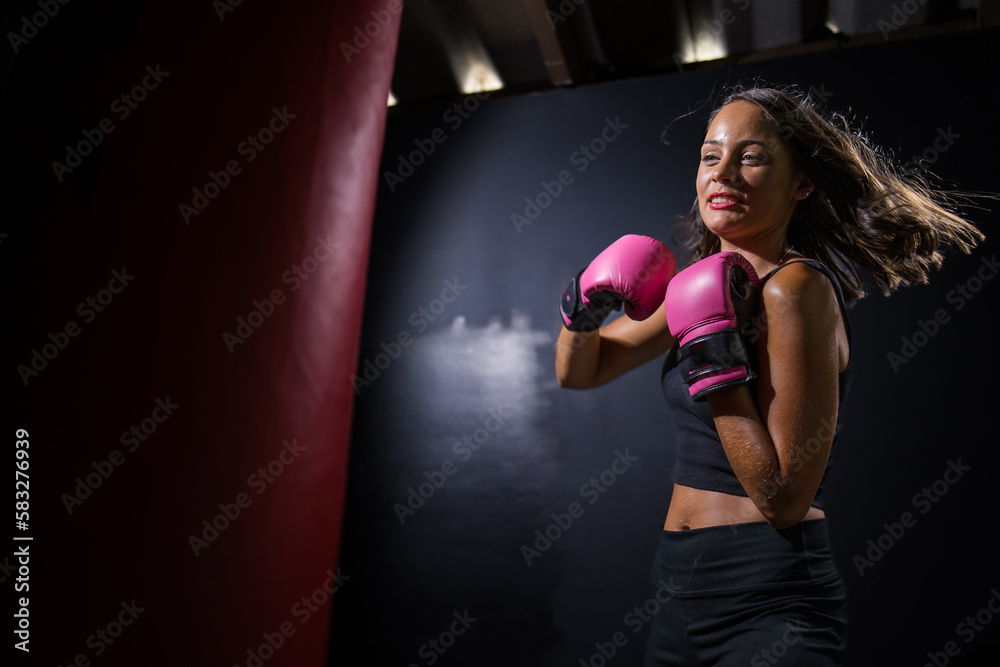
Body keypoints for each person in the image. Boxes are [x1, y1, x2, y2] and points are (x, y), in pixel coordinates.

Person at [555, 84, 983, 666]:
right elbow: (582, 371)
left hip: (768, 597)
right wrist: (582, 306)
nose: (722, 173)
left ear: (802, 182)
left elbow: (782, 499)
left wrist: (713, 359)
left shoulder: (795, 288)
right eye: (711, 156)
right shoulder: (702, 286)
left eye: (750, 157)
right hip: (679, 594)